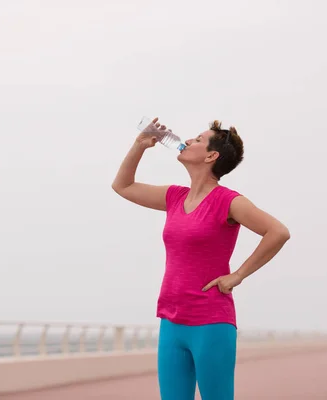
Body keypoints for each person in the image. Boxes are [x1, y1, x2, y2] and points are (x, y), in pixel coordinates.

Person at [111, 117, 290, 400]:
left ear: (211, 155)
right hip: (171, 319)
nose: (189, 141)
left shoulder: (228, 201)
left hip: (210, 321)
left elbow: (277, 232)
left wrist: (238, 275)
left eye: (198, 139)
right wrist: (139, 146)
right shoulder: (174, 197)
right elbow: (123, 186)